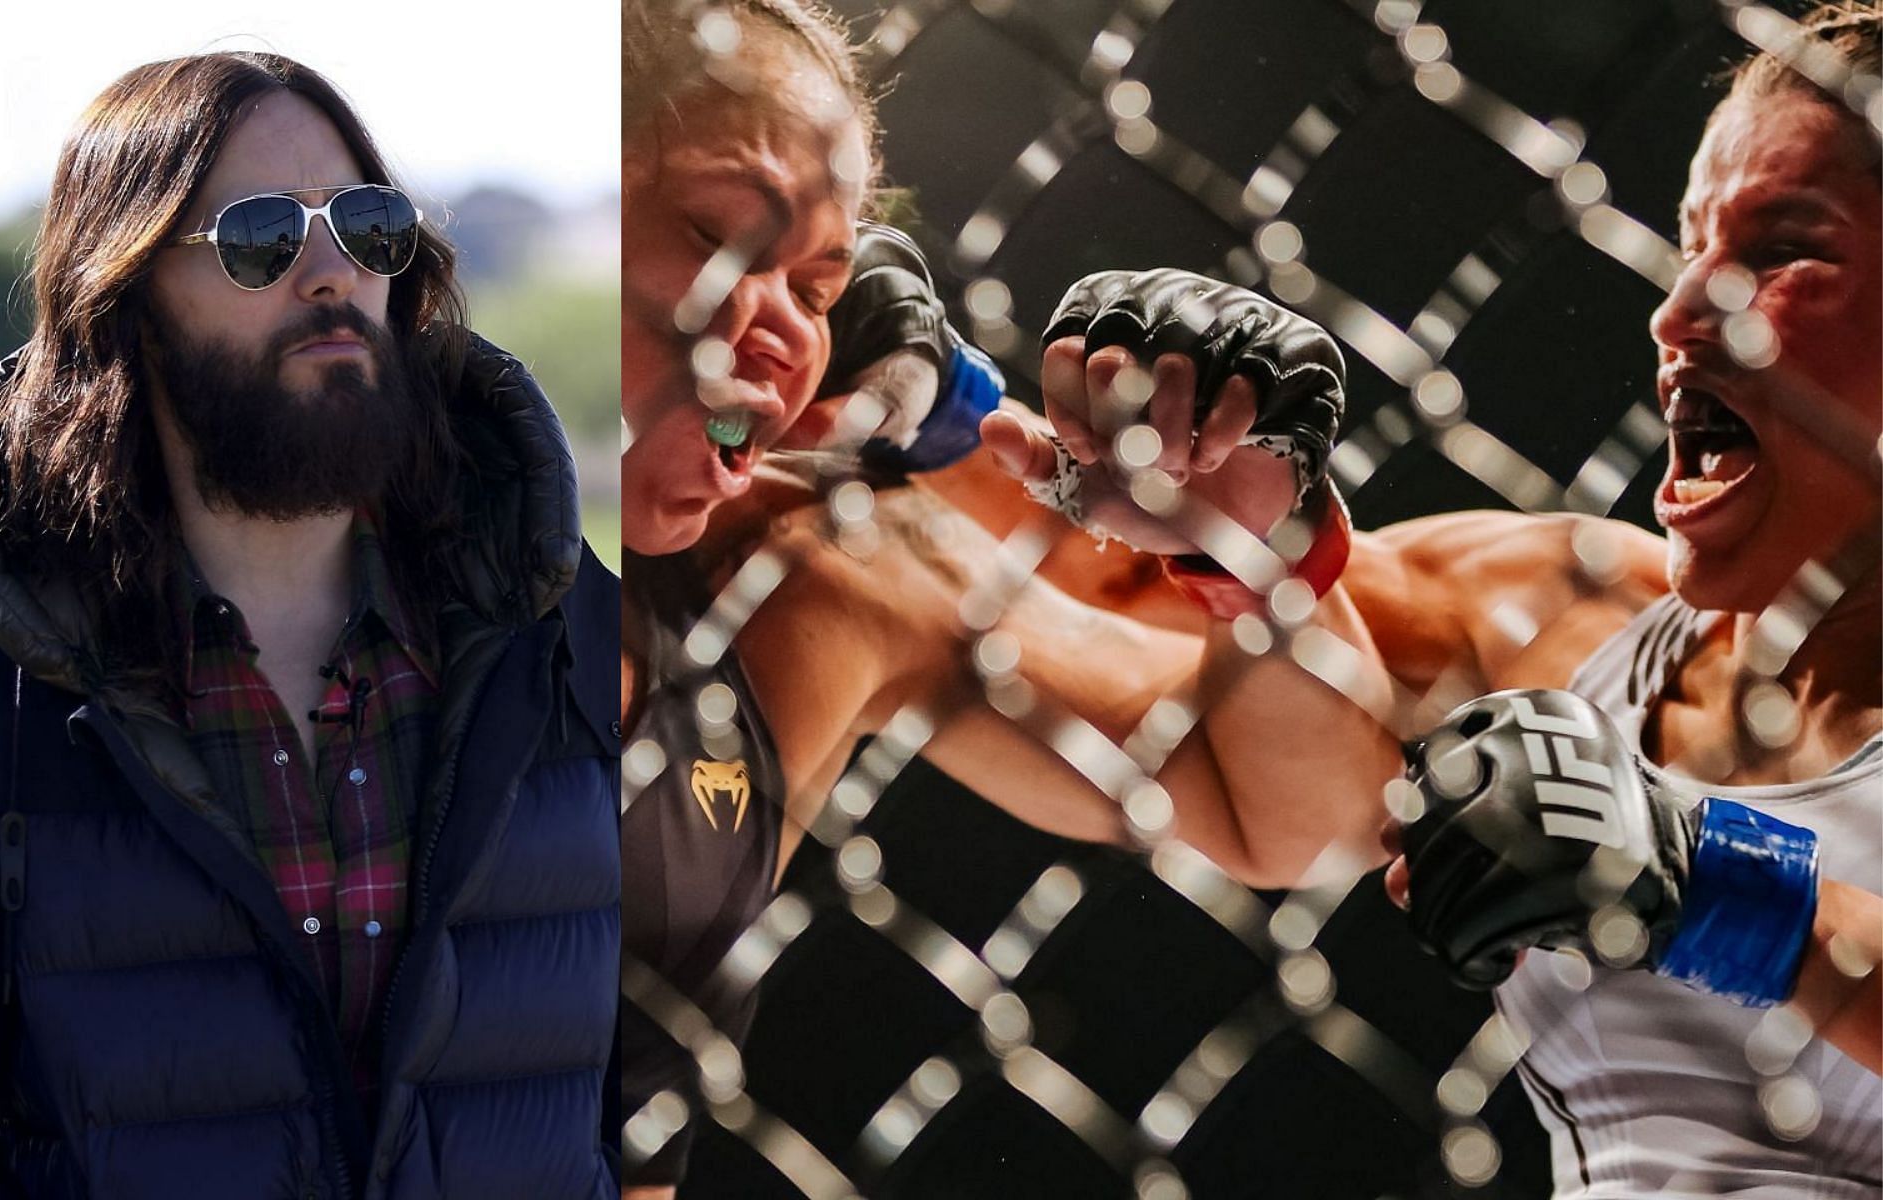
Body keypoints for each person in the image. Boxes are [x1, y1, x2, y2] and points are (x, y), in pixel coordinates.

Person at [986, 5, 1880, 1193]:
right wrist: (1249, 548)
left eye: (1778, 253)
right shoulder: (1572, 615)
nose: (1675, 318)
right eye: (1690, 252)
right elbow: (1285, 815)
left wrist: (1714, 878)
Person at [618, 1, 1401, 1192]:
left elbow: (1289, 815)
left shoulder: (817, 558)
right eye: (713, 234)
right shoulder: (269, 487)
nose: (778, 324)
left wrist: (1255, 548)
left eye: (822, 288)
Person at [0, 53, 621, 1199]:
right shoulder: (14, 670)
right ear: (124, 294)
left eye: (368, 224)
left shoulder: (565, 625)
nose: (332, 275)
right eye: (260, 236)